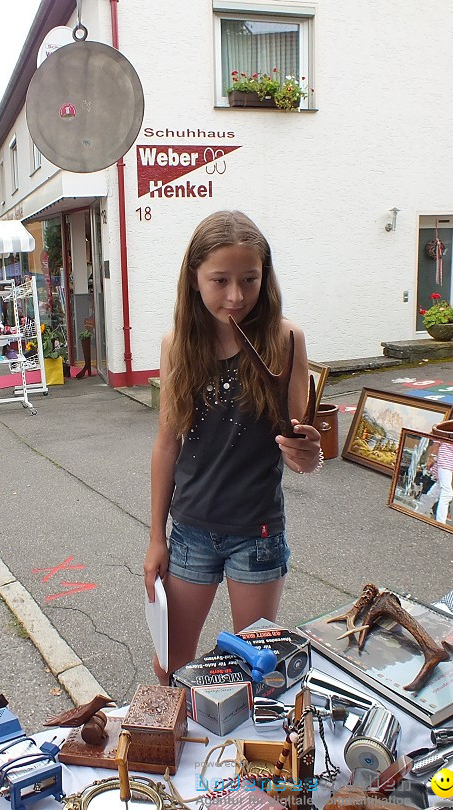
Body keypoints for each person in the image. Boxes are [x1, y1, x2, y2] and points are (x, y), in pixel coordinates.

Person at [143, 210, 322, 684]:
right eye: (220, 280)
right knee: (171, 668)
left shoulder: (286, 340)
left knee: (257, 672)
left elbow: (299, 448)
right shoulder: (176, 345)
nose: (236, 295)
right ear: (194, 278)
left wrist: (307, 452)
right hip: (190, 533)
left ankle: (247, 759)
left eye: (250, 279)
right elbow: (166, 447)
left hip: (257, 534)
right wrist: (156, 536)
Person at [418, 440, 453, 527]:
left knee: (437, 490)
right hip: (446, 458)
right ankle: (440, 523)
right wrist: (432, 456)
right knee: (447, 493)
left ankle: (420, 511)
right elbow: (438, 438)